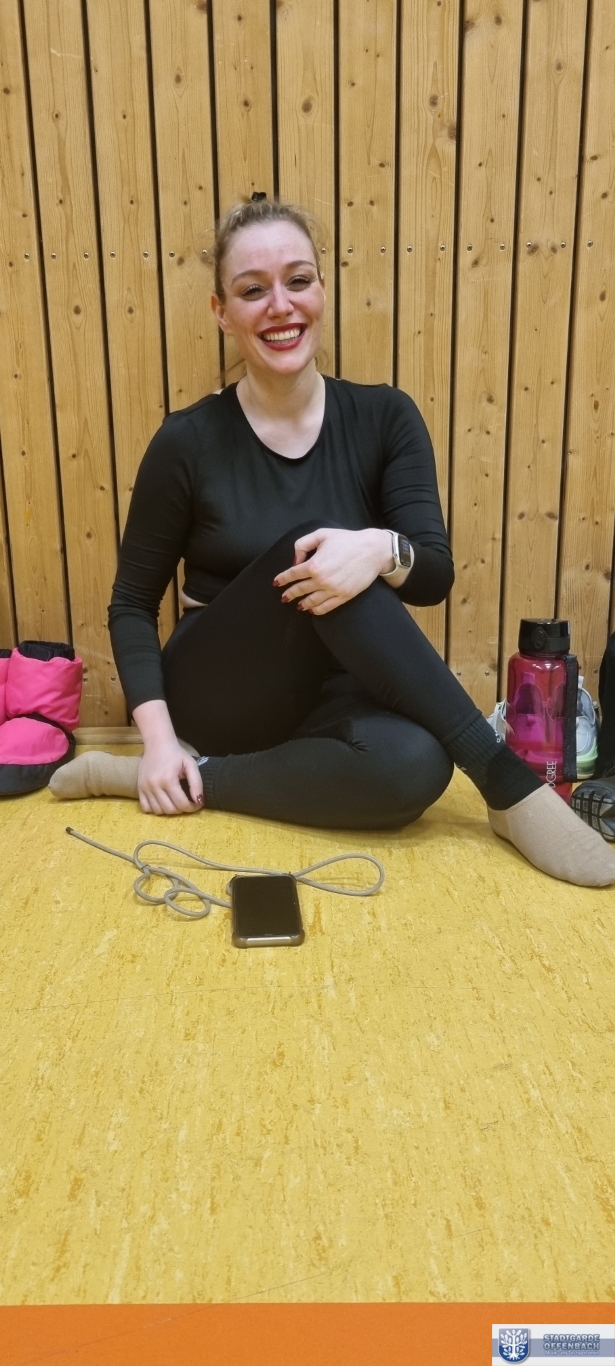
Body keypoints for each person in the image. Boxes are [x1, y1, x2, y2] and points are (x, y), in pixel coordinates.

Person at [51, 198, 615, 888]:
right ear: (221, 312)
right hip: (221, 687)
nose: (280, 306)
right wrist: (160, 736)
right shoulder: (187, 441)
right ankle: (504, 779)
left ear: (322, 287)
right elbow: (132, 604)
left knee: (417, 766)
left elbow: (432, 575)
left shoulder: (385, 417)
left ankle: (193, 778)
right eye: (252, 290)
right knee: (313, 549)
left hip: (331, 693)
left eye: (298, 280)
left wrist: (378, 548)